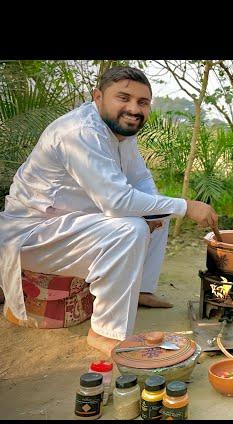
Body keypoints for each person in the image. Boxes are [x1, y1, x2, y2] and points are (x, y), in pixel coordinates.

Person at [0, 66, 219, 355]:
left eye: (142, 102)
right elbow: (116, 202)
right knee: (131, 228)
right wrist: (186, 206)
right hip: (33, 233)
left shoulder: (119, 133)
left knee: (156, 212)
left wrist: (157, 210)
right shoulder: (79, 132)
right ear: (98, 96)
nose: (133, 109)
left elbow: (140, 180)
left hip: (71, 225)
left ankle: (141, 290)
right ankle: (105, 332)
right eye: (123, 98)